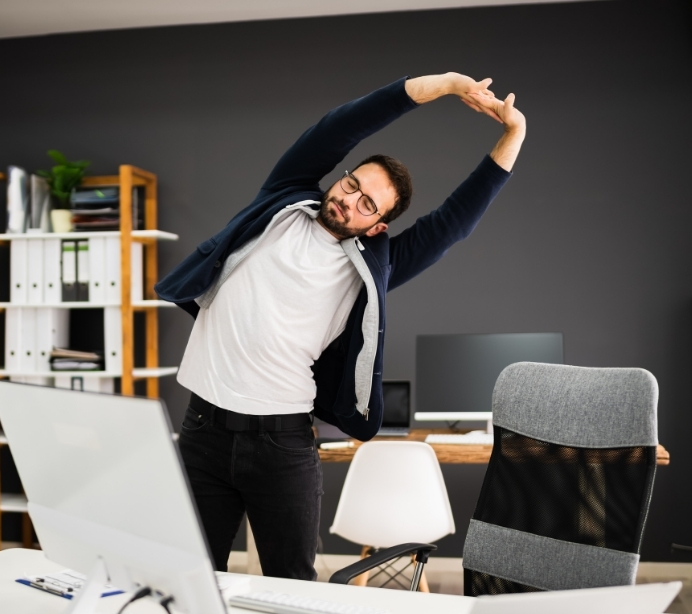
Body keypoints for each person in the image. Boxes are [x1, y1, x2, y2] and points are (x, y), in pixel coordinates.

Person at [155, 73, 526, 580]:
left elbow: (453, 223)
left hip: (281, 445)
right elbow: (339, 127)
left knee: (294, 588)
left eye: (368, 204)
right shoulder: (281, 201)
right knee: (193, 580)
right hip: (202, 430)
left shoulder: (369, 270)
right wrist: (441, 85)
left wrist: (513, 134)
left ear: (378, 226)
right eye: (353, 184)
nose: (350, 200)